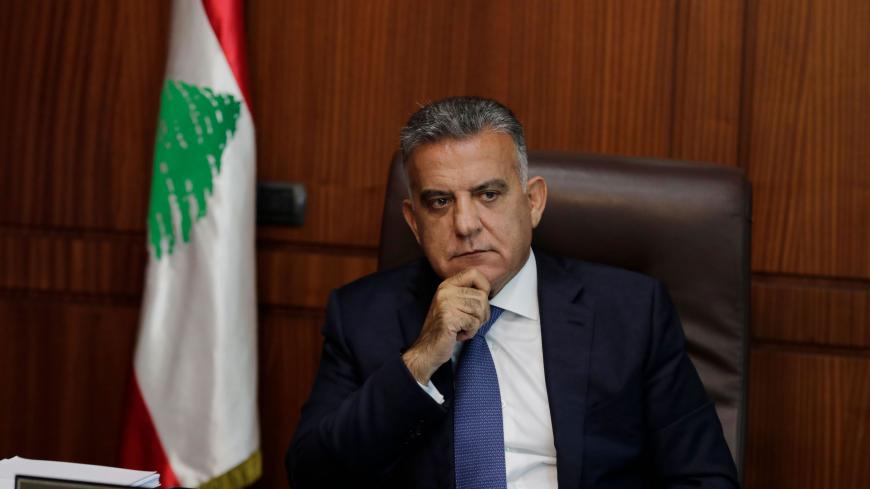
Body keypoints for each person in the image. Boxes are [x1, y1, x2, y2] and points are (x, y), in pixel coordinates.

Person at [286, 96, 739, 488]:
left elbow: (702, 476)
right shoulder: (362, 315)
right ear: (413, 221)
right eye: (440, 202)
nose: (465, 225)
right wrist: (420, 361)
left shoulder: (631, 313)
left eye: (488, 195)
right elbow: (313, 475)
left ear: (533, 201)